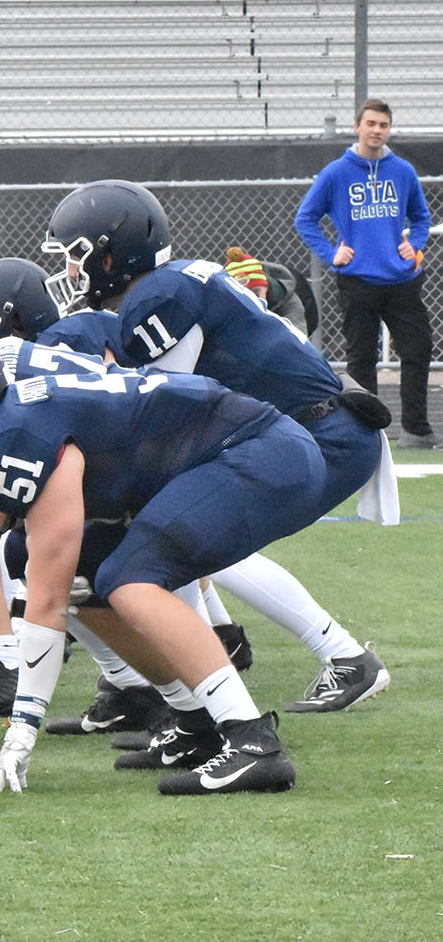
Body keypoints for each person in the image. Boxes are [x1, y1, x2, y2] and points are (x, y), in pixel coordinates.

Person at [0, 322, 322, 796]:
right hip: (233, 455)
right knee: (77, 572)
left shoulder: (21, 433)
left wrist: (21, 734)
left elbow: (46, 602)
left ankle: (253, 742)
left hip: (258, 451)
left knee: (130, 581)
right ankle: (195, 720)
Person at [43, 179, 394, 714]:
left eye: (76, 256)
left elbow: (161, 414)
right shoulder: (170, 282)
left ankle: (246, 679)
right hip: (317, 426)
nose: (69, 271)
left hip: (323, 434)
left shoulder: (162, 296)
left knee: (171, 535)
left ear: (113, 255)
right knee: (175, 533)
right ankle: (217, 656)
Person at [294, 99, 436, 448]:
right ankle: (368, 433)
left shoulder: (402, 171)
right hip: (357, 281)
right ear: (357, 126)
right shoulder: (336, 173)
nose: (377, 131)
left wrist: (415, 247)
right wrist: (332, 254)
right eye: (371, 123)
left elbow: (421, 217)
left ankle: (416, 431)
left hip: (401, 280)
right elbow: (305, 218)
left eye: (383, 125)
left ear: (389, 130)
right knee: (361, 358)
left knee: (418, 350)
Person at [223, 247, 318, 338]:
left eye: (257, 292)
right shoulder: (223, 302)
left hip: (296, 315)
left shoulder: (286, 298)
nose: (254, 299)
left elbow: (297, 343)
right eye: (245, 295)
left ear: (266, 287)